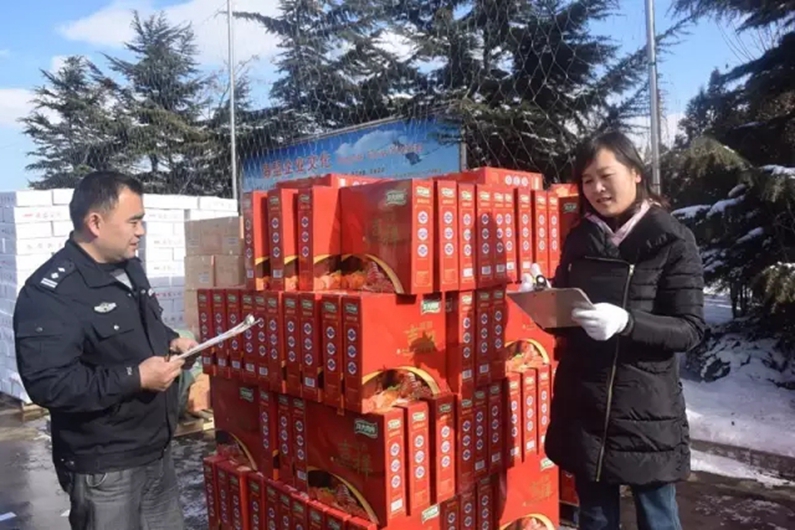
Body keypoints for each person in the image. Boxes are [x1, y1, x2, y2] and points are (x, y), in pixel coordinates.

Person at [13, 171, 198, 530]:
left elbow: (145, 326)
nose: (141, 231)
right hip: (106, 469)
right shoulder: (51, 294)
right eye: (133, 221)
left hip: (156, 453)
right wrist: (136, 378)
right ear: (95, 223)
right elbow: (49, 384)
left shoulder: (129, 269)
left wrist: (171, 340)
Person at [543, 131, 706, 530]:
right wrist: (544, 301)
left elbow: (689, 329)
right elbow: (568, 315)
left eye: (605, 175)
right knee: (595, 517)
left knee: (657, 517)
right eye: (587, 180)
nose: (596, 189)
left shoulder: (672, 239)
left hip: (644, 409)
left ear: (635, 173)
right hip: (585, 401)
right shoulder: (581, 237)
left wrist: (626, 322)